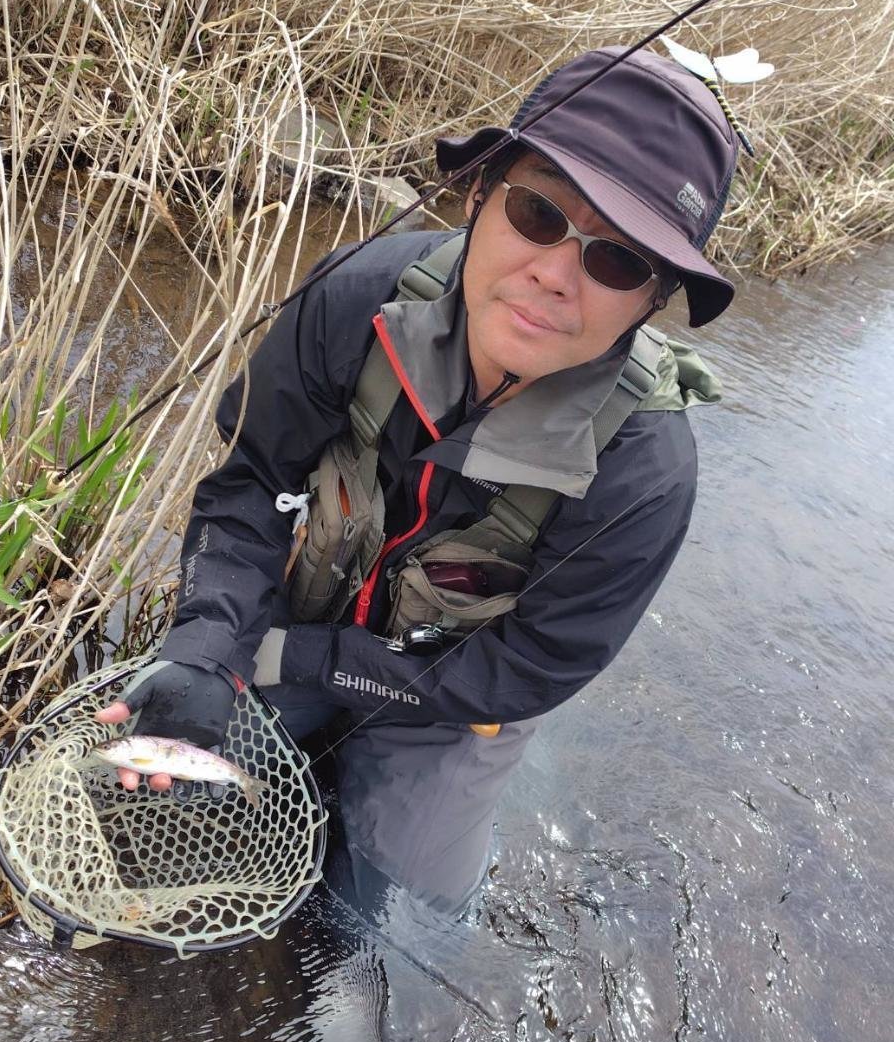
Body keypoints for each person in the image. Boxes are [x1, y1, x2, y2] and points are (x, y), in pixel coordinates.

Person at [96, 46, 737, 915]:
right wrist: (209, 642)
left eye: (618, 263)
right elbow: (251, 483)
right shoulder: (354, 301)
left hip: (455, 696)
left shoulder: (645, 474)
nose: (555, 275)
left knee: (396, 897)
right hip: (307, 618)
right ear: (478, 195)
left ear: (653, 300)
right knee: (163, 781)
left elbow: (528, 669)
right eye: (539, 213)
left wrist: (312, 663)